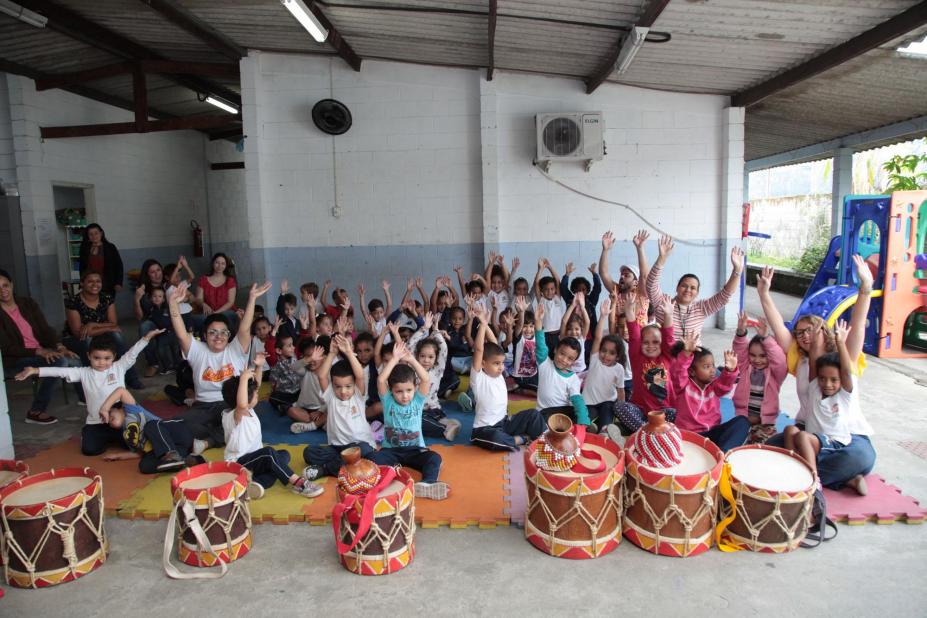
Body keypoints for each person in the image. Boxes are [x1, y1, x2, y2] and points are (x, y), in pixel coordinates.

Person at [757, 256, 874, 494]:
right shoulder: (797, 360)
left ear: (822, 330)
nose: (804, 336)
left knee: (859, 458)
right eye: (799, 333)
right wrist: (764, 293)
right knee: (770, 446)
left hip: (847, 438)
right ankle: (841, 479)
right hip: (808, 432)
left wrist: (865, 288)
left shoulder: (841, 358)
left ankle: (811, 475)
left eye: (810, 330)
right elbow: (778, 324)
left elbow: (858, 324)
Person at [16, 331, 160, 455]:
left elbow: (132, 353)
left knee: (137, 445)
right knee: (89, 450)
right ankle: (101, 436)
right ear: (89, 356)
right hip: (96, 422)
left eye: (107, 358)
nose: (102, 362)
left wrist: (146, 338)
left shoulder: (119, 367)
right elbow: (60, 371)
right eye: (97, 358)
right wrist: (35, 370)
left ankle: (117, 438)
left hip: (119, 421)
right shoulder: (83, 373)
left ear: (114, 357)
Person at [165, 279, 269, 448]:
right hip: (202, 407)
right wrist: (173, 304)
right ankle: (214, 435)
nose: (218, 336)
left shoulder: (235, 349)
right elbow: (181, 333)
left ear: (229, 335)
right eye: (213, 332)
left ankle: (207, 441)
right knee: (174, 425)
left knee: (241, 420)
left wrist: (252, 299)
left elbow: (244, 329)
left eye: (223, 333)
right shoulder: (197, 350)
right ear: (205, 335)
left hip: (230, 405)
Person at [784, 320, 870, 493]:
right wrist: (815, 340)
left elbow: (845, 371)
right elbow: (815, 362)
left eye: (834, 380)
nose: (827, 384)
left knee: (802, 437)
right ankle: (795, 470)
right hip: (816, 439)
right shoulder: (816, 387)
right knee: (789, 430)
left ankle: (812, 480)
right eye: (823, 379)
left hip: (835, 442)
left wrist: (840, 341)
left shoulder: (844, 395)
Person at [222, 361, 324, 499]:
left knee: (283, 455)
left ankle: (254, 484)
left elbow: (254, 388)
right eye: (254, 393)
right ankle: (299, 483)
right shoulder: (235, 415)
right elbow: (242, 403)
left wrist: (258, 367)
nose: (257, 393)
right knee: (270, 454)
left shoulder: (248, 410)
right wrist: (244, 379)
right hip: (238, 465)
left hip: (255, 462)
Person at [368, 340, 449, 500]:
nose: (405, 395)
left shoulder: (417, 401)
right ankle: (390, 478)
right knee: (372, 458)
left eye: (409, 390)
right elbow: (381, 380)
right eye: (399, 391)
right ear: (391, 391)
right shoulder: (388, 401)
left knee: (435, 458)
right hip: (391, 451)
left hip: (415, 451)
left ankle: (427, 484)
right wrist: (394, 358)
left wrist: (411, 359)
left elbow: (425, 379)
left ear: (415, 388)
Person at [0, 269, 82, 424]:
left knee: (74, 359)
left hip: (42, 352)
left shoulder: (27, 303)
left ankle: (86, 399)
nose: (3, 291)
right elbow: (7, 348)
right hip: (15, 359)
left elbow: (45, 330)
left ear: (11, 284)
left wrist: (59, 347)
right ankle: (36, 411)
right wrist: (39, 351)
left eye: (5, 285)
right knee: (60, 362)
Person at [302, 334, 378, 480]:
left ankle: (325, 469)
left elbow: (360, 376)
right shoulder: (330, 395)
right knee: (309, 452)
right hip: (336, 448)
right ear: (332, 385)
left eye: (348, 386)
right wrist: (331, 353)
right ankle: (345, 464)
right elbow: (322, 376)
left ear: (354, 385)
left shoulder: (357, 395)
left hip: (358, 446)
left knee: (366, 451)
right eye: (338, 387)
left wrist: (349, 352)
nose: (343, 391)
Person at [469, 308, 544, 452]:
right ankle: (521, 439)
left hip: (505, 422)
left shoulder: (499, 375)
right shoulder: (478, 378)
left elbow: (494, 344)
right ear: (483, 364)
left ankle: (544, 439)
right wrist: (483, 325)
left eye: (502, 363)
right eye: (496, 364)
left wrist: (485, 324)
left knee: (534, 415)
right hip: (485, 429)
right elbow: (479, 350)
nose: (501, 367)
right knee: (496, 438)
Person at [645, 234, 744, 341]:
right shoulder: (663, 303)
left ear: (697, 292)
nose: (688, 290)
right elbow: (651, 285)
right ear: (677, 288)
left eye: (693, 288)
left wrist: (737, 270)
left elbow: (724, 296)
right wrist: (662, 259)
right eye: (684, 286)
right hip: (667, 355)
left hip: (692, 356)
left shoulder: (701, 308)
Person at [63, 270, 143, 390]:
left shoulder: (106, 298)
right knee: (88, 340)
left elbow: (114, 324)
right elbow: (78, 332)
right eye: (90, 281)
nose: (95, 284)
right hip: (76, 339)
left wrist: (91, 324)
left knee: (117, 336)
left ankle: (131, 378)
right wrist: (106, 327)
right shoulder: (73, 302)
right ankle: (92, 381)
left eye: (98, 281)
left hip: (98, 335)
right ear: (82, 283)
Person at [96, 387, 204, 473]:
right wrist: (117, 456)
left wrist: (104, 409)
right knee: (144, 466)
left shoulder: (132, 411)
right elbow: (139, 453)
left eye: (110, 413)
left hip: (176, 433)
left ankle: (171, 454)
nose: (109, 419)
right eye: (108, 422)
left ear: (120, 408)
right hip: (175, 449)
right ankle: (185, 461)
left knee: (150, 425)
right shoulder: (127, 436)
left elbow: (121, 391)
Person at [670, 333, 748, 451]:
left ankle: (722, 455)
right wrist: (686, 353)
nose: (713, 370)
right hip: (689, 436)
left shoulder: (714, 387)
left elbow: (725, 386)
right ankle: (715, 454)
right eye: (706, 367)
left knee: (742, 422)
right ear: (691, 372)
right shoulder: (683, 386)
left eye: (713, 366)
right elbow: (678, 372)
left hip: (712, 434)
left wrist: (730, 370)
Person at [613, 295, 676, 434]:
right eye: (646, 342)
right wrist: (629, 311)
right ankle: (646, 432)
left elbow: (669, 338)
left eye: (655, 342)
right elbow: (634, 336)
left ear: (662, 343)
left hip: (663, 413)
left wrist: (669, 315)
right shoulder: (637, 357)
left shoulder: (667, 357)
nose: (650, 346)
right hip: (640, 411)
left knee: (675, 412)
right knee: (619, 406)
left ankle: (637, 430)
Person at [531, 305, 591, 428]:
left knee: (580, 412)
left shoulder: (573, 378)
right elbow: (541, 345)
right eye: (562, 354)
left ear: (573, 362)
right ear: (555, 350)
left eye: (570, 358)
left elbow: (577, 400)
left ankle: (578, 427)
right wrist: (538, 321)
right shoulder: (545, 364)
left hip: (564, 412)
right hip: (545, 413)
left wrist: (583, 424)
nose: (564, 360)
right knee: (533, 417)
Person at [732, 312, 787, 444]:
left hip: (765, 424)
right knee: (736, 445)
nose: (757, 360)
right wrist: (741, 332)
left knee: (764, 448)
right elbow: (740, 351)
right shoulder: (745, 368)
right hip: (743, 419)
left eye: (763, 356)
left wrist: (766, 338)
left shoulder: (775, 373)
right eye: (753, 355)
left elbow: (779, 360)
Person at [407, 316, 462, 442]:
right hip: (418, 410)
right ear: (417, 356)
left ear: (436, 358)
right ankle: (448, 425)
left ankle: (444, 429)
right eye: (422, 356)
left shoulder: (437, 369)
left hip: (433, 409)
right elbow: (411, 345)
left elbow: (443, 348)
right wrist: (424, 328)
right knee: (411, 420)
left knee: (415, 423)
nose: (426, 360)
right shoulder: (413, 367)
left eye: (430, 357)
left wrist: (436, 330)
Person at [583, 297, 626, 433]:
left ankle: (604, 431)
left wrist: (622, 411)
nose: (606, 355)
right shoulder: (595, 358)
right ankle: (591, 426)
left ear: (617, 356)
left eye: (611, 353)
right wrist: (603, 316)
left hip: (607, 402)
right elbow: (597, 337)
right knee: (585, 420)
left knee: (607, 415)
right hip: (589, 402)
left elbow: (620, 391)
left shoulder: (619, 369)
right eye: (604, 351)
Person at [600, 230, 650, 336]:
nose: (622, 277)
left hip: (639, 341)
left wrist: (640, 248)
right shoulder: (616, 291)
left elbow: (644, 275)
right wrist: (605, 250)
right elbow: (603, 273)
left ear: (636, 282)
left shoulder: (641, 293)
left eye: (627, 275)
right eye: (621, 275)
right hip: (620, 342)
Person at [288, 339, 328, 434]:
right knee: (291, 411)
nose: (312, 361)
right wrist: (310, 359)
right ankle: (320, 423)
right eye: (307, 357)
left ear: (323, 357)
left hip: (321, 409)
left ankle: (316, 423)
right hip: (305, 410)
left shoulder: (327, 374)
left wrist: (320, 411)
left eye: (316, 357)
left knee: (332, 410)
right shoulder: (305, 371)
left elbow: (331, 397)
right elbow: (293, 367)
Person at [135, 258, 166, 376]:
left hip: (172, 320)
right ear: (147, 275)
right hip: (154, 322)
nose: (157, 274)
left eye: (158, 270)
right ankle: (153, 363)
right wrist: (137, 299)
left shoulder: (169, 284)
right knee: (144, 326)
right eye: (152, 272)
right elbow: (139, 317)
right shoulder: (144, 291)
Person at [143, 286, 181, 374]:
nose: (157, 298)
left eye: (160, 296)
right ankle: (168, 367)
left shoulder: (167, 308)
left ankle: (179, 365)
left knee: (176, 350)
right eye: (154, 296)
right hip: (161, 333)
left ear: (164, 299)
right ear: (151, 298)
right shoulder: (151, 309)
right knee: (161, 350)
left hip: (172, 332)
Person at [78, 224, 124, 297]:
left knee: (107, 306)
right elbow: (82, 267)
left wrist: (118, 283)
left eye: (96, 233)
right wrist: (82, 282)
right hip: (90, 284)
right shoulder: (84, 248)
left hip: (108, 284)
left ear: (101, 233)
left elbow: (119, 265)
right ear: (88, 236)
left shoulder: (110, 247)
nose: (94, 236)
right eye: (91, 234)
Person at [196, 253, 238, 331]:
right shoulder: (203, 279)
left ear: (226, 266)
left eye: (223, 263)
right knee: (198, 320)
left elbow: (230, 302)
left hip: (226, 311)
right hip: (209, 313)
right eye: (217, 262)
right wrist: (203, 304)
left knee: (227, 317)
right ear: (213, 263)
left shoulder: (230, 280)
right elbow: (198, 298)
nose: (219, 266)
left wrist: (217, 313)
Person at [532, 258, 565, 354]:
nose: (550, 291)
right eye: (546, 289)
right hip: (545, 334)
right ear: (541, 290)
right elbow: (536, 283)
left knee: (557, 354)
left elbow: (557, 280)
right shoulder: (541, 300)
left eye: (552, 289)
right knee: (545, 354)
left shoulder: (557, 298)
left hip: (558, 334)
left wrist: (550, 267)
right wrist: (540, 269)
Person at [560, 261, 601, 336]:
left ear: (587, 291)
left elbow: (597, 288)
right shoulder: (570, 300)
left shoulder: (591, 300)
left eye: (583, 290)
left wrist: (594, 274)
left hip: (589, 335)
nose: (581, 292)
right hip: (573, 334)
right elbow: (563, 288)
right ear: (574, 290)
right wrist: (567, 275)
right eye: (578, 290)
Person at [267, 333, 302, 412]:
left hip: (298, 391)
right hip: (286, 394)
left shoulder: (293, 356)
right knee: (273, 397)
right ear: (279, 350)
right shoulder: (277, 364)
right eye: (289, 346)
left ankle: (289, 406)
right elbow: (273, 381)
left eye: (292, 345)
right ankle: (291, 405)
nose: (293, 347)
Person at [558, 292, 590, 373]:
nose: (573, 332)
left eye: (576, 329)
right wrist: (572, 305)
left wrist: (582, 307)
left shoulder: (581, 338)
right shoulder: (564, 338)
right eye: (570, 329)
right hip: (567, 370)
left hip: (581, 371)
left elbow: (587, 322)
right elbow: (564, 322)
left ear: (581, 330)